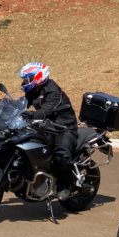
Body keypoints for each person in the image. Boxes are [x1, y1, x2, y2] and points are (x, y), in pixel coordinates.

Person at [17, 62, 79, 200]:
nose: (24, 82)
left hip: (64, 127)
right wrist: (6, 107)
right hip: (45, 126)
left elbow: (48, 109)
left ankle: (65, 185)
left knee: (60, 157)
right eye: (24, 79)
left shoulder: (53, 90)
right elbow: (21, 103)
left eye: (27, 79)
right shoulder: (34, 90)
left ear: (38, 77)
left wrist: (32, 115)